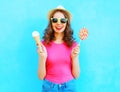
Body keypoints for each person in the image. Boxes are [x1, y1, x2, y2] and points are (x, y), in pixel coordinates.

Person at [37, 5, 82, 92]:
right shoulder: (43, 44)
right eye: (55, 20)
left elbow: (76, 75)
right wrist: (42, 58)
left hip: (69, 87)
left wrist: (75, 57)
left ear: (66, 22)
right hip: (49, 87)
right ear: (51, 22)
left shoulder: (74, 45)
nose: (58, 23)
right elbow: (40, 77)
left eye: (62, 20)